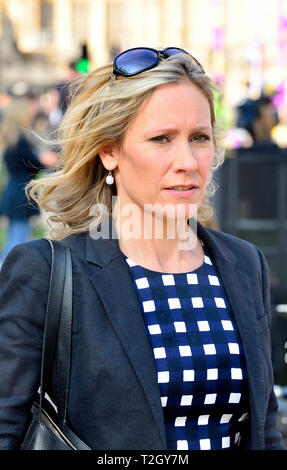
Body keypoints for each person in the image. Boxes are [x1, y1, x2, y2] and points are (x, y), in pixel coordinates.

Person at [0, 47, 285, 451]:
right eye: (161, 139)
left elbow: (265, 431)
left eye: (199, 138)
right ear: (109, 151)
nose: (187, 160)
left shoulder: (243, 264)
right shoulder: (44, 274)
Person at [0, 97, 58, 265]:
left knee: (16, 237)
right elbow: (33, 163)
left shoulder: (13, 138)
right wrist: (48, 160)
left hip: (14, 191)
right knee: (17, 241)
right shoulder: (20, 139)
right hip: (20, 193)